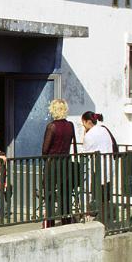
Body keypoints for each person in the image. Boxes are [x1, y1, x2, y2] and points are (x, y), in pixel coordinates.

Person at [41, 97, 77, 226]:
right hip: (66, 162)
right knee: (65, 192)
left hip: (53, 163)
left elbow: (45, 149)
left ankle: (50, 222)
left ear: (53, 110)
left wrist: (46, 158)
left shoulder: (52, 126)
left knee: (50, 193)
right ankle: (66, 220)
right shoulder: (70, 125)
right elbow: (73, 144)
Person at [80, 110, 117, 221]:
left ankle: (97, 217)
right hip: (109, 164)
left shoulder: (90, 135)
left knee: (97, 194)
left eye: (83, 122)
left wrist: (85, 133)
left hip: (98, 169)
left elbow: (84, 151)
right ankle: (105, 217)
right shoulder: (104, 129)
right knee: (105, 196)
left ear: (87, 122)